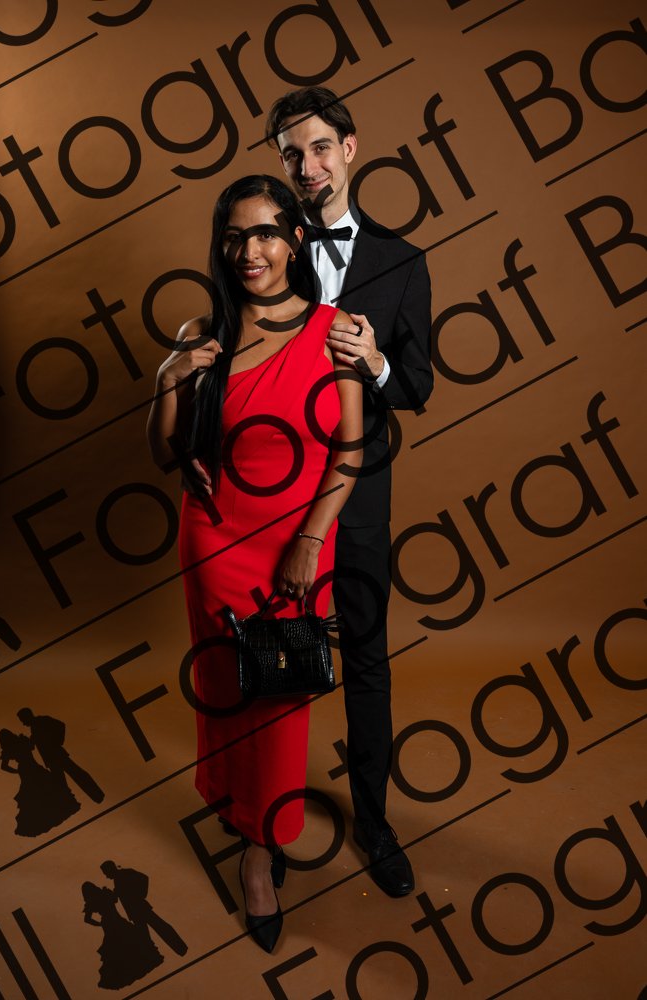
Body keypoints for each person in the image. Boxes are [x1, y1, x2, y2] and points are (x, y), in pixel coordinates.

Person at [147, 174, 363, 952]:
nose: (250, 251)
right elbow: (163, 450)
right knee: (226, 687)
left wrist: (310, 540)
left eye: (267, 232)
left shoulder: (336, 331)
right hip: (214, 537)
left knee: (280, 697)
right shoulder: (201, 332)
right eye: (235, 236)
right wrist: (169, 381)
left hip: (297, 543)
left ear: (296, 240)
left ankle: (260, 853)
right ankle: (235, 806)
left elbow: (351, 448)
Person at [263, 86, 433, 897]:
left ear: (350, 148)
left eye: (320, 147)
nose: (308, 166)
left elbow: (417, 386)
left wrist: (374, 361)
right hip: (273, 491)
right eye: (292, 154)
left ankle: (374, 823)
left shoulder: (403, 261)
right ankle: (264, 833)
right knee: (274, 661)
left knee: (365, 656)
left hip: (360, 494)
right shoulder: (264, 250)